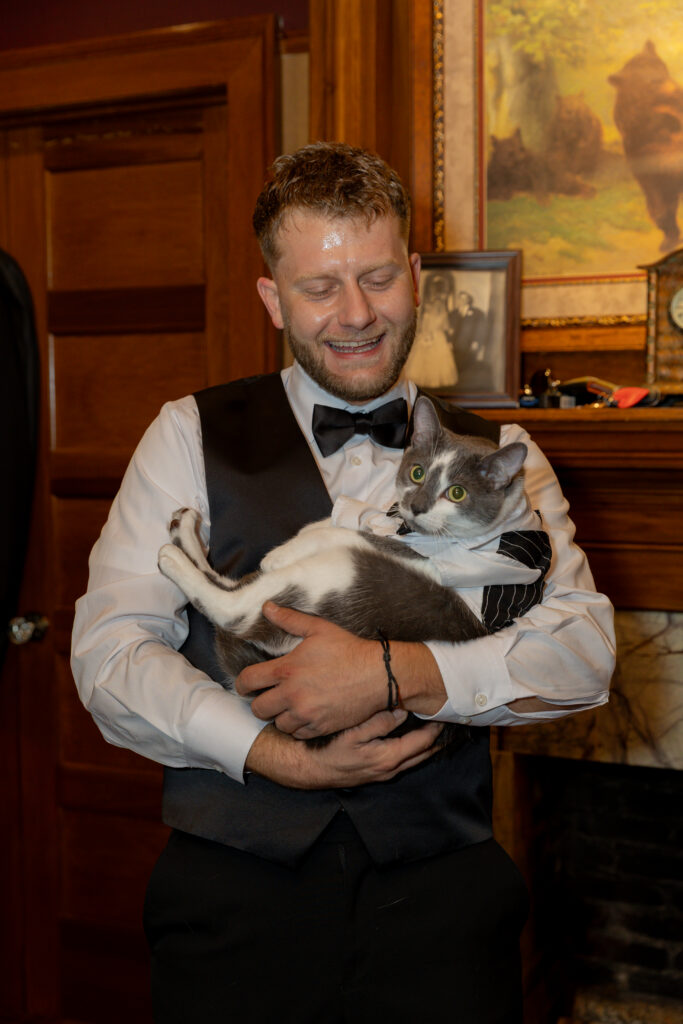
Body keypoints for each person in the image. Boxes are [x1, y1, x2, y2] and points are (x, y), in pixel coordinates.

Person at [71, 142, 615, 1024]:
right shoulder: (184, 433)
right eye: (320, 287)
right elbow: (106, 655)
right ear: (270, 296)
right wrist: (268, 752)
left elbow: (585, 653)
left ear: (414, 274)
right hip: (233, 904)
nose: (355, 314)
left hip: (443, 905)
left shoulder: (504, 460)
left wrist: (400, 674)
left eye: (376, 279)